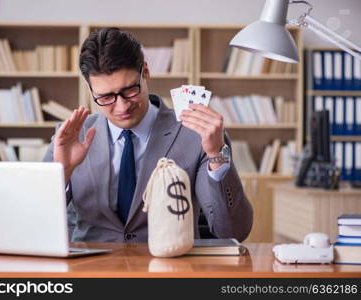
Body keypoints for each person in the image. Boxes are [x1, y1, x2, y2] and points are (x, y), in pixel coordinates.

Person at [43, 27, 253, 243]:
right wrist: (63, 173)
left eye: (129, 90)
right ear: (90, 89)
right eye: (106, 97)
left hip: (170, 268)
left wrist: (216, 156)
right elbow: (37, 224)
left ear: (145, 71)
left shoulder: (195, 135)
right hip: (90, 270)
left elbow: (233, 232)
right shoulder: (67, 138)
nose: (122, 106)